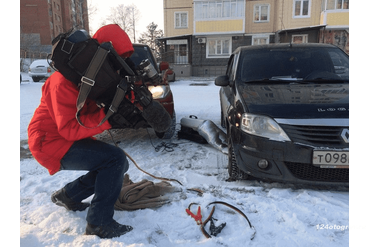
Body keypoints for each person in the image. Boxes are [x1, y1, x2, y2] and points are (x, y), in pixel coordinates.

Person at [28, 24, 135, 239]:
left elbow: (95, 105)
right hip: (48, 141)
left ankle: (68, 196)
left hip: (60, 137)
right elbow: (68, 128)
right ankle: (99, 223)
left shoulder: (91, 75)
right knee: (114, 160)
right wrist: (108, 117)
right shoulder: (61, 81)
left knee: (115, 163)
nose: (115, 69)